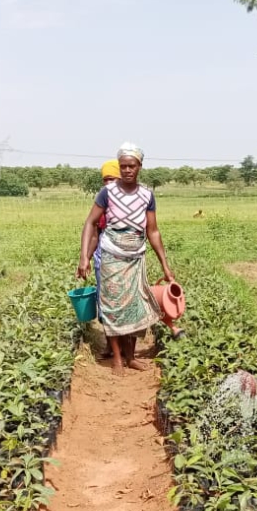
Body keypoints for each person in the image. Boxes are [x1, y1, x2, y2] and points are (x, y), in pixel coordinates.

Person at [77, 143, 176, 374]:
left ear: (140, 166)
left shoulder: (146, 196)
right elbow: (90, 223)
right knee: (112, 307)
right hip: (111, 256)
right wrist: (84, 257)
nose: (127, 170)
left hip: (135, 258)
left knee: (134, 307)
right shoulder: (107, 193)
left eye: (132, 166)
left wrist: (165, 265)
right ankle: (117, 359)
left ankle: (131, 357)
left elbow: (153, 231)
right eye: (123, 166)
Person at [94, 160, 120, 359]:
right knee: (105, 300)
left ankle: (126, 349)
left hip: (124, 257)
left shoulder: (131, 201)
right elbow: (94, 230)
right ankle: (110, 346)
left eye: (112, 179)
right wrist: (85, 258)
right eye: (106, 180)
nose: (108, 183)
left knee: (124, 302)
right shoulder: (101, 201)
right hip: (103, 256)